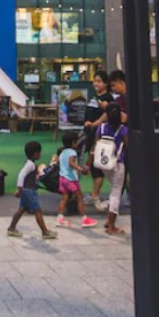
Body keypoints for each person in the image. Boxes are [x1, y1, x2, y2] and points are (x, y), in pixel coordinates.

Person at [90, 104, 128, 235]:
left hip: (104, 164)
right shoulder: (123, 130)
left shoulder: (101, 128)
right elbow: (128, 147)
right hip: (117, 164)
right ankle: (111, 225)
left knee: (113, 190)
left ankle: (109, 220)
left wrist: (89, 161)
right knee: (116, 193)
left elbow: (94, 146)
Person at [7, 141, 57, 240]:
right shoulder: (30, 165)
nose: (40, 155)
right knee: (37, 210)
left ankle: (11, 228)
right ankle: (45, 232)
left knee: (22, 209)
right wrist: (19, 189)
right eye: (39, 153)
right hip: (29, 192)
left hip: (26, 191)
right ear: (35, 154)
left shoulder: (30, 164)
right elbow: (21, 175)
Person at [82, 69, 115, 209]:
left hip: (101, 137)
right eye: (94, 81)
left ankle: (95, 196)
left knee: (99, 167)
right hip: (91, 134)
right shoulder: (96, 96)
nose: (96, 83)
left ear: (106, 83)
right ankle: (95, 195)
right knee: (96, 166)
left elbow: (107, 116)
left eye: (99, 81)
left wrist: (94, 124)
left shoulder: (108, 98)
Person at [56, 131, 97, 228]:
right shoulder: (72, 152)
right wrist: (81, 169)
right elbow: (71, 163)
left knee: (64, 198)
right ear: (74, 142)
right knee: (79, 198)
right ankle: (84, 219)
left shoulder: (62, 153)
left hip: (62, 179)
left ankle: (60, 218)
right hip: (71, 179)